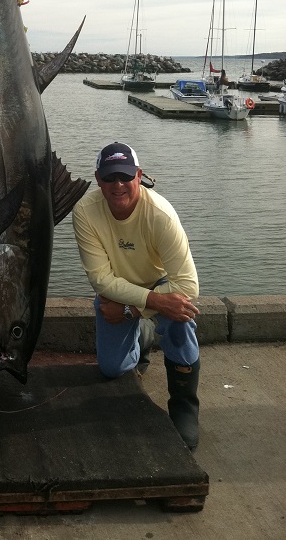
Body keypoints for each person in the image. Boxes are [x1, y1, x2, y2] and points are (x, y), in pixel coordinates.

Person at [72, 141, 200, 450]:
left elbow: (188, 286)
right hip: (118, 292)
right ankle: (142, 337)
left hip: (160, 285)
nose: (118, 185)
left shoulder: (161, 215)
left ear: (139, 175)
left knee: (179, 317)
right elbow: (101, 280)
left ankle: (184, 407)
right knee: (112, 369)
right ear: (98, 178)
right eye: (110, 177)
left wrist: (139, 308)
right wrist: (145, 304)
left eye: (126, 176)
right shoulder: (84, 212)